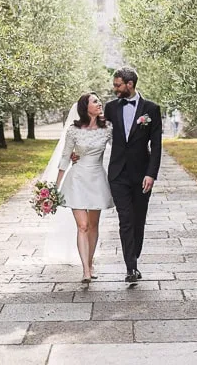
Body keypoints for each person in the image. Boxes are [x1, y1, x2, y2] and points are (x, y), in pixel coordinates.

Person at [103, 66, 162, 284]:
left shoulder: (152, 109)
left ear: (130, 84)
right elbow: (93, 128)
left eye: (118, 85)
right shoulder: (110, 108)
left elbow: (156, 146)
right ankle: (131, 267)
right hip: (117, 174)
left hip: (141, 175)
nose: (115, 88)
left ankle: (134, 255)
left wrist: (151, 174)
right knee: (125, 220)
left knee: (138, 220)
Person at [54, 93, 114, 282]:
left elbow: (121, 147)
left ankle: (90, 261)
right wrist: (55, 187)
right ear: (85, 107)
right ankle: (85, 270)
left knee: (94, 225)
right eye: (95, 101)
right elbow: (65, 156)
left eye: (99, 101)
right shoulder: (73, 130)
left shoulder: (108, 128)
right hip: (77, 179)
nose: (99, 104)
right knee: (83, 225)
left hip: (96, 179)